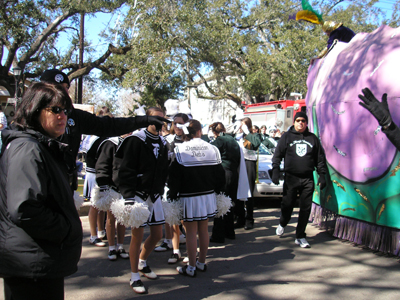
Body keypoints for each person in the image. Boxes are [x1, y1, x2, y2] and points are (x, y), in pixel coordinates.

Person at [0, 82, 82, 300]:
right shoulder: (28, 148)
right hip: (31, 264)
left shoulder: (38, 145)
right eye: (55, 110)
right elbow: (24, 208)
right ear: (34, 110)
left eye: (65, 110)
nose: (62, 116)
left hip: (39, 260)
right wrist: (65, 229)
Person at [39, 69, 169, 191]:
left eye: (66, 87)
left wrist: (144, 120)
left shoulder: (74, 115)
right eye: (58, 88)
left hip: (64, 186)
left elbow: (108, 125)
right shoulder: (30, 120)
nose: (65, 92)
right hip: (42, 185)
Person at [115, 107, 170, 294]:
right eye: (156, 119)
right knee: (136, 236)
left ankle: (142, 262)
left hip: (154, 194)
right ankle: (134, 276)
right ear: (147, 119)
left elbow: (163, 169)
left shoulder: (163, 142)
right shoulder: (135, 140)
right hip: (138, 194)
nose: (160, 123)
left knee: (157, 235)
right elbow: (126, 169)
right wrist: (128, 196)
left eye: (162, 119)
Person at [168, 119, 225, 277]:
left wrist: (172, 194)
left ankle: (191, 267)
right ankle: (201, 263)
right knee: (204, 230)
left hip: (189, 197)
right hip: (207, 196)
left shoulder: (181, 149)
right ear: (200, 131)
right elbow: (220, 175)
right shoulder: (212, 148)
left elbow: (174, 176)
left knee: (191, 232)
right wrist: (219, 191)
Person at [271, 111, 327, 248]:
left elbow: (319, 159)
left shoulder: (313, 138)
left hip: (307, 178)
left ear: (306, 123)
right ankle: (283, 222)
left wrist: (322, 175)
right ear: (294, 122)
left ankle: (300, 235)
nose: (300, 123)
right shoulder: (287, 137)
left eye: (303, 120)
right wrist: (276, 170)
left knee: (305, 208)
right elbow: (277, 155)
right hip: (291, 178)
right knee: (287, 205)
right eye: (298, 120)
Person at [95, 134, 129, 261]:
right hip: (112, 186)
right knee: (111, 218)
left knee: (123, 218)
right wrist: (104, 186)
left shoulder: (131, 143)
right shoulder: (110, 143)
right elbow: (102, 165)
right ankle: (111, 247)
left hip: (125, 187)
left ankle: (120, 246)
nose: (128, 133)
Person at [209, 122, 240, 243]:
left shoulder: (220, 140)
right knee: (230, 203)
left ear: (214, 131)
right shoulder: (233, 140)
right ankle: (229, 231)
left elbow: (212, 155)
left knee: (221, 203)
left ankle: (218, 234)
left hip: (223, 173)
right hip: (233, 173)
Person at [234, 117, 262, 230]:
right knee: (238, 191)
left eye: (243, 125)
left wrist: (247, 132)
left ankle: (249, 219)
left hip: (249, 163)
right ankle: (240, 218)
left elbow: (255, 144)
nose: (241, 126)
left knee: (248, 192)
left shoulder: (254, 136)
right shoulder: (237, 137)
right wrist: (235, 131)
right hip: (238, 164)